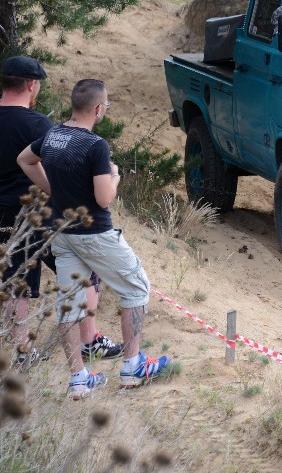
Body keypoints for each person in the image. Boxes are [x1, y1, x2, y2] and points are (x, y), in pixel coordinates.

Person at [18, 79, 169, 398]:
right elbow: (103, 199)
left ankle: (79, 378)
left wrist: (52, 189)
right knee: (137, 287)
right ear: (99, 109)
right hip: (96, 234)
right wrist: (114, 176)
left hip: (63, 233)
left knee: (69, 304)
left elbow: (25, 160)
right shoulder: (95, 146)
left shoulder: (53, 134)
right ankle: (132, 366)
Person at [0, 57, 122, 368]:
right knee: (85, 272)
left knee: (17, 282)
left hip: (1, 216)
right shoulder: (39, 124)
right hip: (40, 213)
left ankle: (23, 352)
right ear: (32, 85)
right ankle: (89, 340)